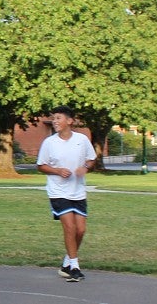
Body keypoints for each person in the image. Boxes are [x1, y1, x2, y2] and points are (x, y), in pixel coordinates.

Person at [34, 105, 96, 283]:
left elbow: (91, 159)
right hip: (58, 191)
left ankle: (66, 263)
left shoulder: (82, 140)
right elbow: (41, 166)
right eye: (53, 118)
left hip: (78, 191)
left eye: (58, 118)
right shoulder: (49, 142)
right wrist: (57, 171)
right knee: (70, 227)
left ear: (70, 121)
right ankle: (75, 267)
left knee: (81, 229)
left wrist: (84, 168)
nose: (55, 121)